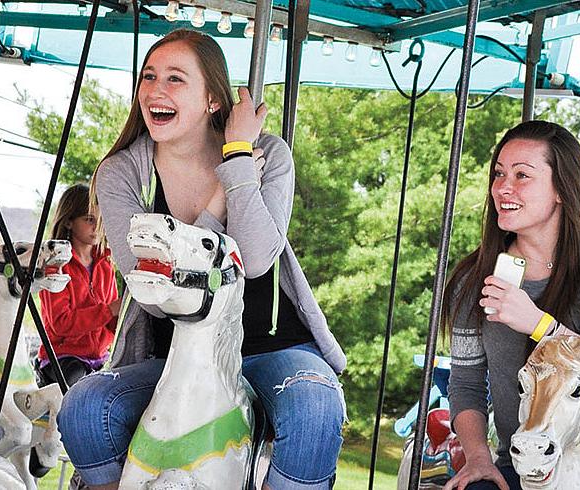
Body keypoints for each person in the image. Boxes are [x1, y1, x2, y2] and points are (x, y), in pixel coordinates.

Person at [57, 29, 347, 490]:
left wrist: (236, 158)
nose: (155, 90)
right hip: (179, 354)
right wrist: (216, 204)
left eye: (175, 79)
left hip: (274, 346)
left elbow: (253, 259)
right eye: (149, 77)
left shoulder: (268, 154)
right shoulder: (122, 174)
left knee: (315, 408)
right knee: (86, 409)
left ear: (213, 99)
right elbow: (152, 295)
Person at [442, 120, 580, 490]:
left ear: (561, 188)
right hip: (523, 464)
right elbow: (466, 383)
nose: (503, 187)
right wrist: (479, 457)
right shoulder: (475, 279)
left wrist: (540, 326)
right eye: (499, 174)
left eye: (522, 175)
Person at [36, 183, 120, 387]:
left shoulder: (106, 265)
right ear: (69, 222)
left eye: (100, 220)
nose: (96, 227)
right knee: (80, 384)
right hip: (62, 358)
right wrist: (108, 311)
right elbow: (60, 323)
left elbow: (112, 321)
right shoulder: (55, 264)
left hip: (99, 358)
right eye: (90, 220)